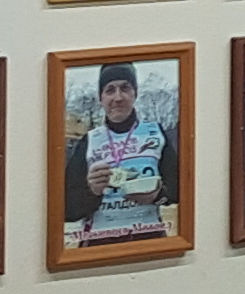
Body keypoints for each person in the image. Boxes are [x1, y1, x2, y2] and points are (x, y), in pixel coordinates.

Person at [63, 60, 179, 241]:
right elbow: (66, 210)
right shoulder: (89, 140)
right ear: (101, 98)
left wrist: (158, 195)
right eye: (110, 90)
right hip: (100, 243)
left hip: (149, 239)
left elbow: (181, 189)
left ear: (135, 94)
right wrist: (91, 192)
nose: (118, 97)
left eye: (125, 88)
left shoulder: (156, 133)